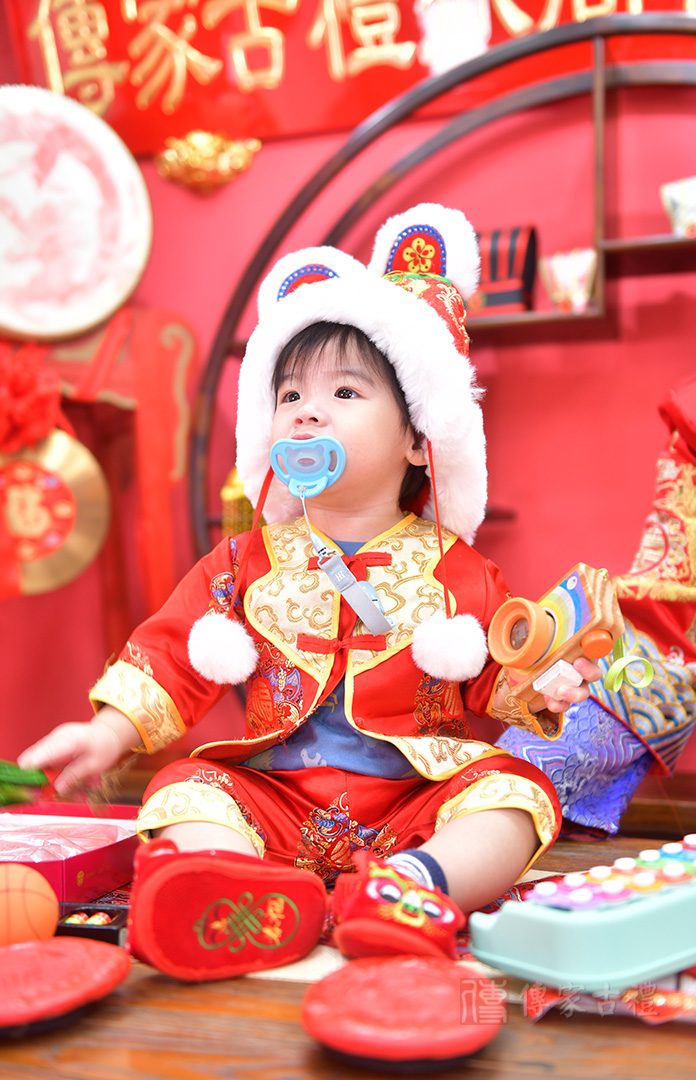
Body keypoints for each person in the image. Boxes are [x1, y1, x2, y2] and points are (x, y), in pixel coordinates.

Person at [19, 203, 601, 981]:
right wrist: (106, 735)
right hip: (274, 801)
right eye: (289, 396)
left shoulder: (457, 569)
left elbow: (501, 669)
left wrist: (546, 682)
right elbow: (171, 656)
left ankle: (411, 889)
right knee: (184, 788)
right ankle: (241, 890)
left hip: (411, 806)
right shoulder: (241, 562)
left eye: (345, 394)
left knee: (514, 792)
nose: (308, 412)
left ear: (417, 439)